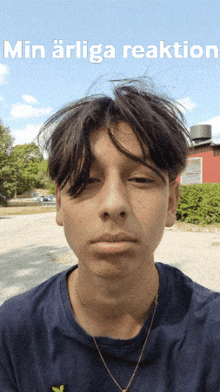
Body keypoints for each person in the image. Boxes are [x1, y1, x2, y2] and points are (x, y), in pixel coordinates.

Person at [0, 81, 220, 392]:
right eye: (87, 180)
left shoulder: (213, 331)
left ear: (171, 202)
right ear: (59, 203)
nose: (114, 204)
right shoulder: (15, 330)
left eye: (140, 178)